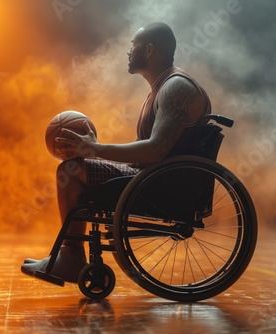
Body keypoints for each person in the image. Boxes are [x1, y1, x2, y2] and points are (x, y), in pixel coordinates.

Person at [21, 22, 211, 283]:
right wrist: (96, 153)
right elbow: (145, 152)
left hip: (162, 187)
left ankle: (72, 255)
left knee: (71, 169)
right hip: (151, 178)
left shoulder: (176, 88)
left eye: (134, 45)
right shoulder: (160, 89)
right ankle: (71, 254)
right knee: (80, 164)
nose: (128, 51)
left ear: (150, 50)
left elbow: (156, 150)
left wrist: (97, 149)